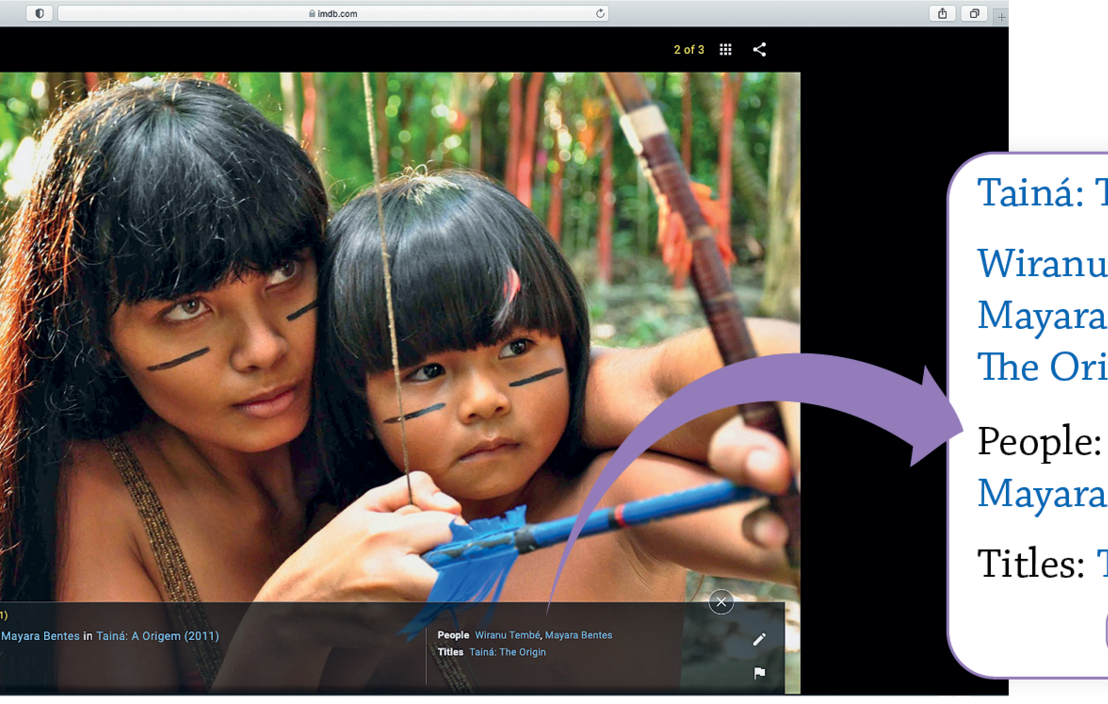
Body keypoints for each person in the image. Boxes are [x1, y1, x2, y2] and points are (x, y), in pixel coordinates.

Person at [0, 76, 797, 693]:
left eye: (286, 272)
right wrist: (288, 621)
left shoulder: (410, 378)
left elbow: (659, 382)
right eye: (187, 308)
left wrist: (795, 406)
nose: (262, 348)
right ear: (97, 332)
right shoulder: (101, 490)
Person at [315, 170, 797, 605]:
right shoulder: (337, 546)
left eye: (517, 347)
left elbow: (702, 376)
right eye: (427, 372)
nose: (485, 401)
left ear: (569, 348)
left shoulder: (617, 496)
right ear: (358, 402)